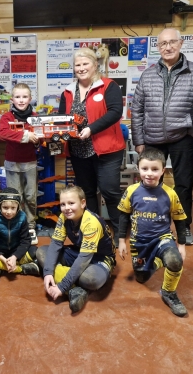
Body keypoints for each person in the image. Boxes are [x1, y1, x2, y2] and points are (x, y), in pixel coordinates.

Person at [130, 28, 193, 246]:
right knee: (150, 184)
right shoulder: (147, 75)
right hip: (152, 138)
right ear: (158, 47)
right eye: (163, 43)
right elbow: (136, 110)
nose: (167, 47)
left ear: (180, 43)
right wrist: (139, 141)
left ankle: (184, 228)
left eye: (172, 42)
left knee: (183, 184)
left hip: (182, 137)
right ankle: (155, 227)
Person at [58, 47, 125, 241]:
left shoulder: (108, 86)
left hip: (106, 149)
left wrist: (91, 129)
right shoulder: (68, 92)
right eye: (77, 65)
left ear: (95, 65)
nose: (81, 68)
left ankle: (120, 231)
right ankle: (97, 228)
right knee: (87, 192)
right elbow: (63, 118)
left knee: (109, 191)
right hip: (79, 150)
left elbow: (115, 112)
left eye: (85, 63)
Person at [117, 148, 189, 317]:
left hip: (162, 239)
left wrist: (182, 245)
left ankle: (168, 292)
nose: (149, 174)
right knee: (141, 277)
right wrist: (121, 241)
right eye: (145, 169)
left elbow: (180, 219)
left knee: (174, 261)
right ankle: (156, 262)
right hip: (138, 242)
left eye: (155, 169)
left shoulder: (170, 194)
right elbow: (123, 217)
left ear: (163, 170)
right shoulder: (131, 191)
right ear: (138, 168)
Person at [36, 186, 115, 314]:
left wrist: (62, 286)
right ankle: (77, 289)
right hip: (78, 251)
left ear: (83, 203)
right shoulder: (63, 217)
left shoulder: (91, 222)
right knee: (42, 252)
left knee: (90, 279)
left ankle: (72, 281)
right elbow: (56, 243)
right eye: (63, 204)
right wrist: (48, 272)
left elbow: (85, 258)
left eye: (71, 203)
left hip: (99, 258)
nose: (67, 208)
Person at [0, 83, 39, 245]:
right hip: (12, 163)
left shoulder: (35, 116)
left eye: (24, 97)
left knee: (30, 196)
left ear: (30, 98)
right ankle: (18, 225)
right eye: (17, 97)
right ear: (12, 99)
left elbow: (42, 133)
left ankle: (30, 225)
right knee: (15, 196)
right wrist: (26, 135)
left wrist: (38, 140)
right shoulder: (7, 117)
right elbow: (2, 134)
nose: (21, 100)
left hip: (30, 162)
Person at [0, 188, 40, 280]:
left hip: (15, 252)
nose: (9, 212)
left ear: (18, 207)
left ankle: (0, 267)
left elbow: (26, 240)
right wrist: (3, 259)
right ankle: (20, 268)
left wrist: (14, 257)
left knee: (36, 251)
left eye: (13, 208)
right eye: (5, 208)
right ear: (0, 206)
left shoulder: (22, 217)